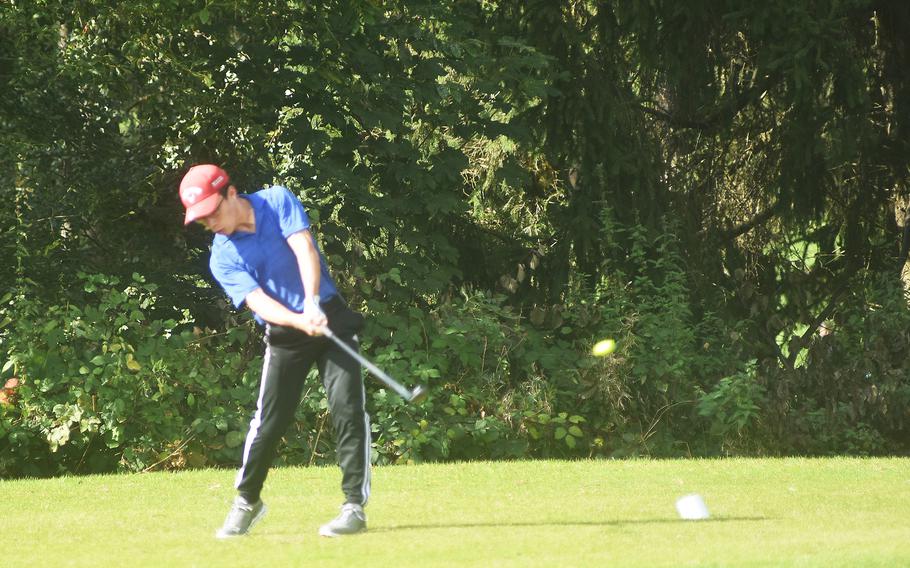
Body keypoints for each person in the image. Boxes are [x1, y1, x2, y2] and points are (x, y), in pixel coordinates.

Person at [179, 164, 371, 539]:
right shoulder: (222, 256)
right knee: (268, 423)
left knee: (348, 407)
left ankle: (353, 508)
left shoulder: (277, 199)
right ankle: (247, 502)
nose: (210, 223)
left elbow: (304, 250)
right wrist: (300, 321)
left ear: (231, 193)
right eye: (202, 220)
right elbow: (259, 303)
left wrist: (312, 303)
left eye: (212, 212)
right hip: (285, 333)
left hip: (328, 313)